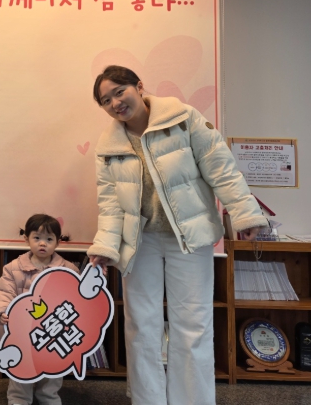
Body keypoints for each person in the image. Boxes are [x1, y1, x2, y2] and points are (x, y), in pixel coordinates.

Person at [86, 65, 267, 404]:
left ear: (139, 86)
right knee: (141, 327)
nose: (115, 103)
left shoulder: (183, 118)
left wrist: (244, 213)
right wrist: (106, 246)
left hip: (189, 237)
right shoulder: (108, 145)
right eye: (105, 100)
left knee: (193, 325)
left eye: (119, 92)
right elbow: (110, 202)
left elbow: (220, 167)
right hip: (140, 242)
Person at [0, 214, 78, 405]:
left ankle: (48, 396)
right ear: (26, 239)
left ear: (57, 242)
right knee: (21, 364)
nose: (42, 244)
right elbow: (4, 292)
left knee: (54, 364)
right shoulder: (13, 267)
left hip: (53, 328)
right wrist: (3, 311)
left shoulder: (68, 269)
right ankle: (19, 398)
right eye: (37, 238)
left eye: (49, 239)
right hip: (23, 330)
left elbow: (76, 298)